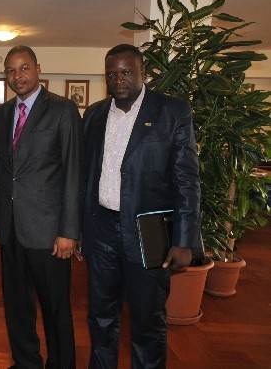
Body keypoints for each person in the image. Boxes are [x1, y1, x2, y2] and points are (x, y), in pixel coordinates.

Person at [82, 44, 201, 369]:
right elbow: (86, 175)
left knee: (148, 321)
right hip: (101, 229)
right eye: (111, 74)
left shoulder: (171, 111)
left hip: (149, 231)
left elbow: (187, 180)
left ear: (142, 72)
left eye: (126, 72)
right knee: (100, 317)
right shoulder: (93, 115)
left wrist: (184, 240)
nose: (118, 79)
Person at [0, 45, 82, 369]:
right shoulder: (2, 115)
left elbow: (73, 171)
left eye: (24, 68)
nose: (18, 76)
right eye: (11, 70)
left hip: (49, 232)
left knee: (55, 307)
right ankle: (25, 362)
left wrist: (69, 231)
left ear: (38, 69)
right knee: (17, 306)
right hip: (10, 229)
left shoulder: (63, 110)